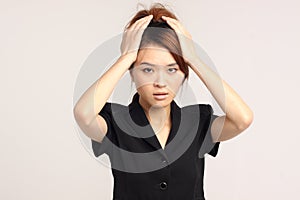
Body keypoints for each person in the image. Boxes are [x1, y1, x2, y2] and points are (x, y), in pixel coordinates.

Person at [73, 3, 253, 200]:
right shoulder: (116, 123)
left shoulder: (197, 122)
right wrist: (127, 57)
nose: (160, 83)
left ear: (184, 73)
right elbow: (84, 114)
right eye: (148, 70)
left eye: (172, 70)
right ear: (132, 73)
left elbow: (242, 119)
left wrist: (194, 59)